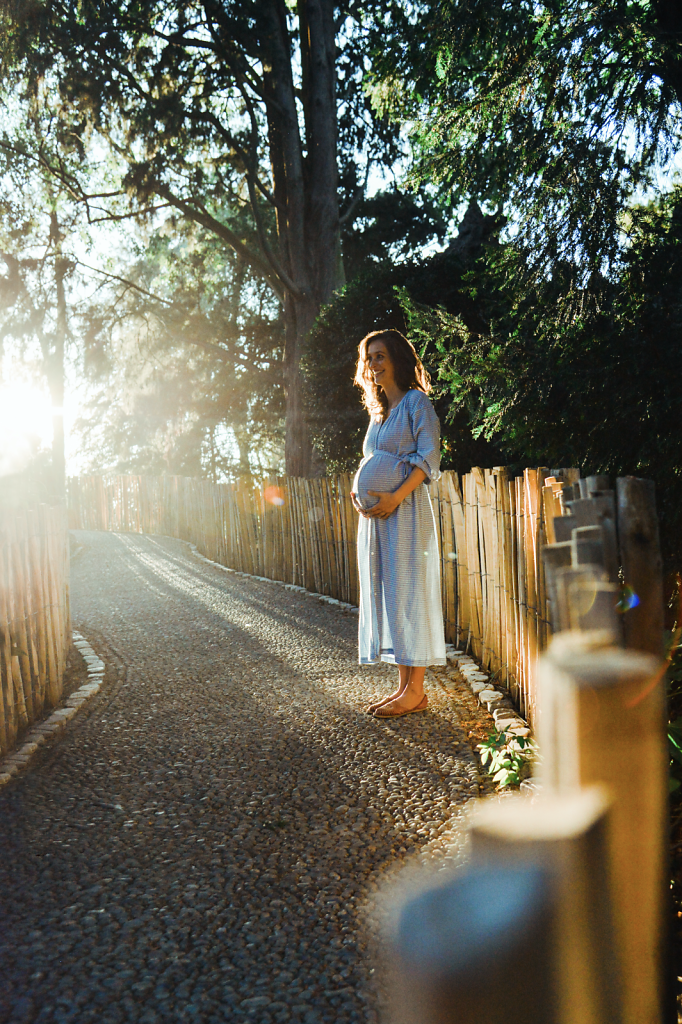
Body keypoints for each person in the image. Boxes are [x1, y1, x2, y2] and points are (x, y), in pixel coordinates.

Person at [351, 328, 446, 718]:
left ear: (397, 360)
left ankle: (417, 688)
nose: (373, 364)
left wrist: (394, 495)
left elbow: (429, 458)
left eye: (380, 356)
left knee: (410, 594)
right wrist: (361, 494)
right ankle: (406, 688)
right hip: (379, 520)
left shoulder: (415, 403)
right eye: (369, 357)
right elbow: (370, 463)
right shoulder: (379, 414)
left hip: (405, 512)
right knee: (391, 595)